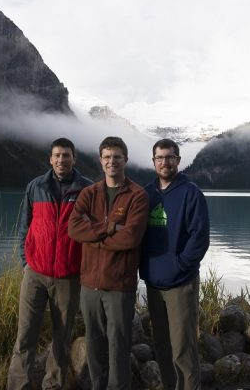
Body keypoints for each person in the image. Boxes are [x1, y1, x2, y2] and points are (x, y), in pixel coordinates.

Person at [7, 138, 94, 390]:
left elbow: (92, 231)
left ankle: (52, 385)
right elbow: (24, 227)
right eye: (57, 155)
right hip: (34, 273)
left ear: (74, 158)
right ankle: (17, 386)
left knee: (61, 337)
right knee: (25, 335)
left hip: (68, 276)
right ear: (50, 159)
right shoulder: (35, 186)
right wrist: (25, 262)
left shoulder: (86, 189)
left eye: (66, 155)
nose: (61, 160)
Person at [68, 136, 149, 390]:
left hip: (119, 286)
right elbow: (73, 228)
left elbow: (131, 237)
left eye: (117, 157)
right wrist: (109, 228)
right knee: (94, 342)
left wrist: (94, 237)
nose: (111, 161)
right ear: (100, 161)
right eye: (107, 157)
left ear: (125, 160)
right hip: (89, 284)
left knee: (118, 344)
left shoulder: (138, 195)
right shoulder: (89, 193)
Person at [140, 138, 210, 390]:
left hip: (181, 283)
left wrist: (179, 266)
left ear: (178, 160)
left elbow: (199, 238)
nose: (165, 162)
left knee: (183, 348)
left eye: (170, 157)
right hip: (154, 282)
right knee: (162, 345)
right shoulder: (147, 193)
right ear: (153, 162)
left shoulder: (191, 193)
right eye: (160, 157)